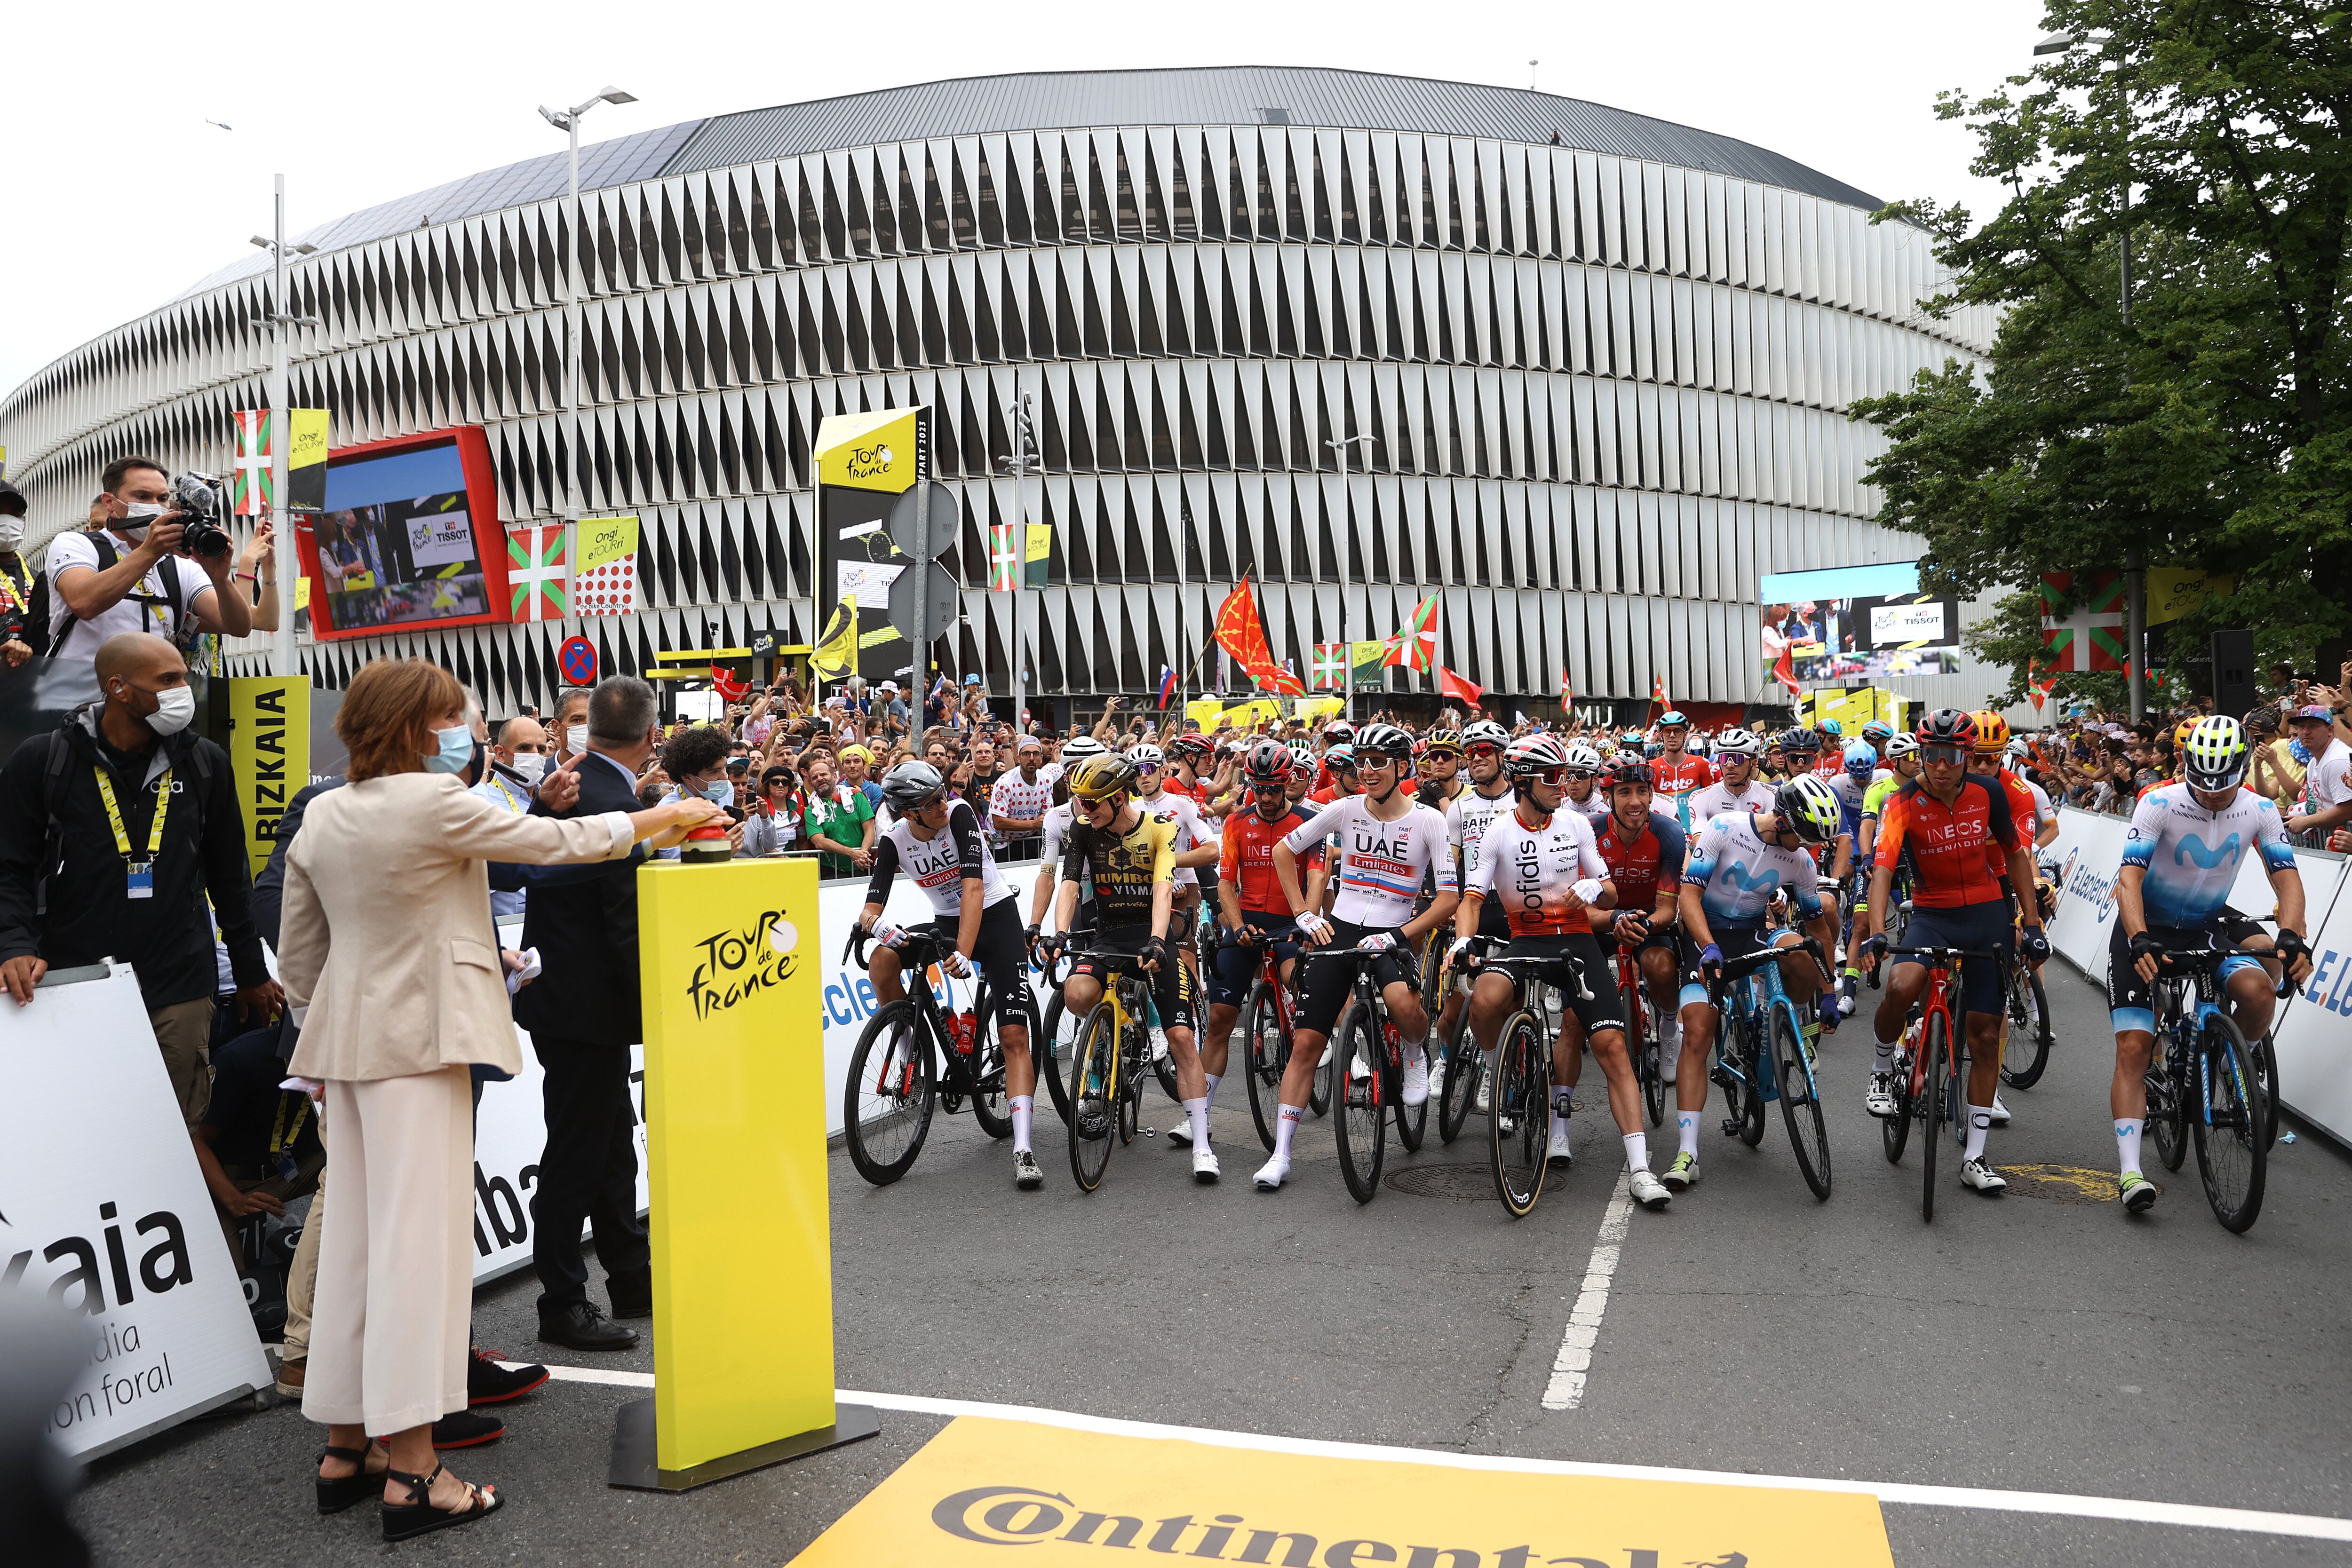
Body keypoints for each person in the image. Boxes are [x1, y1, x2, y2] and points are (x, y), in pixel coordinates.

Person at [278, 657, 715, 1538]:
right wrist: (658, 818)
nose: (466, 734)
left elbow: (299, 958)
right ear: (410, 726)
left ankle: (347, 1443)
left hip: (351, 1050)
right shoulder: (431, 802)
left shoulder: (325, 812)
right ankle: (413, 1468)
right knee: (416, 1255)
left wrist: (333, 1035)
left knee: (364, 1244)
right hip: (423, 1044)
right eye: (453, 718)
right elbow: (555, 845)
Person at [0, 633, 278, 1126]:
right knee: (80, 1121)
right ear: (119, 688)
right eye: (168, 680)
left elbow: (230, 878)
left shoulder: (205, 762)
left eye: (184, 677)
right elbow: (9, 867)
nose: (183, 690)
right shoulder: (44, 761)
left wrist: (252, 972)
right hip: (73, 979)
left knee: (173, 1127)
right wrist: (15, 944)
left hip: (179, 984)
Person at [514, 676, 692, 1352]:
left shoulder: (571, 784)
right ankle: (562, 1298)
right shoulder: (613, 799)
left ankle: (630, 1274)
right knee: (578, 1154)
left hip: (572, 1002)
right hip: (584, 1006)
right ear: (652, 736)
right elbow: (625, 925)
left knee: (612, 1143)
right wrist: (657, 1011)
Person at [1447, 736, 1671, 1209]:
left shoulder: (1574, 823)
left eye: (1566, 774)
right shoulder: (1497, 833)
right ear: (1524, 781)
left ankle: (1639, 1168)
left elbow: (1610, 893)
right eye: (1553, 776)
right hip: (1524, 938)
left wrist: (1592, 886)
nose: (1563, 784)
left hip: (1575, 940)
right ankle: (1498, 1066)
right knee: (1484, 1000)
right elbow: (1470, 899)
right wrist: (1462, 943)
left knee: (1611, 1047)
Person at [2106, 717, 2312, 1212]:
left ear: (2242, 769)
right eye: (2202, 782)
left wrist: (2291, 935)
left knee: (2261, 991)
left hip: (2202, 924)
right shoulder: (2158, 802)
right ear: (2186, 767)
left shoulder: (2259, 808)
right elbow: (2128, 880)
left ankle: (2223, 1059)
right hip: (2146, 929)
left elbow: (2285, 878)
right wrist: (2137, 939)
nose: (2213, 795)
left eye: (2222, 785)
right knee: (2134, 1048)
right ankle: (2130, 1170)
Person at [1857, 711, 2050, 1195]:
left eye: (1951, 755)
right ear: (1919, 755)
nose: (1940, 766)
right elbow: (1882, 870)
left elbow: (2013, 855)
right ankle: (1882, 1068)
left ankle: (1974, 1156)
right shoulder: (1902, 802)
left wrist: (2029, 923)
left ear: (1965, 756)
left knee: (1984, 1038)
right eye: (1930, 755)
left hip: (1985, 916)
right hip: (1932, 913)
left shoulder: (1988, 795)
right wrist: (1877, 932)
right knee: (1902, 986)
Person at [1256, 723, 1456, 1192]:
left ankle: (1412, 1051)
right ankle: (1280, 1154)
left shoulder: (1428, 820)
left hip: (1395, 927)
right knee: (1305, 1044)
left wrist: (1397, 937)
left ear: (1401, 767)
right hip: (1341, 927)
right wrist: (1303, 914)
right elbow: (1284, 851)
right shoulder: (1343, 809)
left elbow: (1448, 898)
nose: (1365, 771)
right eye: (1360, 762)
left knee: (1406, 1007)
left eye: (1377, 762)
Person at [858, 761, 1040, 1185]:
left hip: (995, 919)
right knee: (883, 959)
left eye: (943, 794)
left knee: (1014, 1036)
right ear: (909, 813)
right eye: (932, 802)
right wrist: (872, 923)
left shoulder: (959, 814)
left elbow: (973, 888)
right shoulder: (893, 840)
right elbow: (873, 903)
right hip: (945, 922)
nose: (944, 803)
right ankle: (912, 1057)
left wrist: (962, 953)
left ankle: (1024, 1147)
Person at [1038, 752, 1216, 1180]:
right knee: (1077, 994)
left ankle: (1204, 1144)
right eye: (1079, 801)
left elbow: (1161, 887)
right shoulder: (1082, 830)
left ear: (1119, 798)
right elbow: (1067, 882)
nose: (1083, 810)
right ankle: (1113, 1034)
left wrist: (1157, 940)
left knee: (1180, 1036)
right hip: (1109, 934)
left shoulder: (1160, 829)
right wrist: (1060, 932)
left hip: (1150, 934)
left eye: (1092, 802)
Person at [1666, 774, 1845, 1193]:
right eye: (1803, 837)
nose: (1806, 848)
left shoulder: (1801, 861)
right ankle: (1687, 1152)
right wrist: (1708, 946)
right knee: (1697, 1033)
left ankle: (1791, 1022)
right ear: (1782, 819)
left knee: (1802, 953)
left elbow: (1818, 926)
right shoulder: (1724, 829)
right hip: (1703, 937)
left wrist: (1830, 990)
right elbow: (1688, 897)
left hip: (1750, 932)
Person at [1199, 741, 1326, 1131]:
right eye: (1259, 788)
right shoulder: (1237, 823)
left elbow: (1318, 875)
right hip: (1247, 923)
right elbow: (1224, 885)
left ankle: (1308, 1031)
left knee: (1294, 976)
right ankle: (1199, 1113)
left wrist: (1310, 922)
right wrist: (1236, 927)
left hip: (1292, 921)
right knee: (1220, 1019)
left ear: (1288, 782)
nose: (1266, 797)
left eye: (1274, 788)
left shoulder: (1310, 821)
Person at [45, 457, 254, 662]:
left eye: (162, 499)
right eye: (142, 497)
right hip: (79, 692)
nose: (155, 506)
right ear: (110, 503)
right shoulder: (76, 544)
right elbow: (84, 604)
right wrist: (150, 552)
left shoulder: (181, 568)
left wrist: (221, 579)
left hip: (151, 694)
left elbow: (239, 627)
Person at [1590, 757, 1689, 1088]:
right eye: (1625, 792)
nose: (1635, 801)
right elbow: (1579, 906)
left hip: (1649, 919)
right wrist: (1613, 919)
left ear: (1651, 795)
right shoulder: (1589, 831)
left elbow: (1667, 909)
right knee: (1579, 999)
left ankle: (1669, 1025)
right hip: (1603, 920)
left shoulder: (1669, 833)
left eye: (1643, 792)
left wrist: (1638, 925)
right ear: (1608, 798)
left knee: (1660, 967)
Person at [1435, 720, 1516, 1061]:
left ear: (1501, 756)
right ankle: (1446, 1060)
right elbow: (1450, 864)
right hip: (1475, 910)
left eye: (1484, 750)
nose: (1476, 757)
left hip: (1514, 912)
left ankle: (1499, 1070)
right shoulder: (1459, 808)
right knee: (1451, 1016)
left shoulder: (1522, 800)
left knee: (1507, 1010)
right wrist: (1444, 904)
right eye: (1471, 752)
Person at [2283, 704, 2352, 843]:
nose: (2306, 732)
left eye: (2314, 726)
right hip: (2336, 840)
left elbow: (2348, 810)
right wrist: (2302, 820)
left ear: (2330, 730)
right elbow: (2323, 806)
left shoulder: (2337, 760)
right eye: (2301, 726)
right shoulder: (2314, 763)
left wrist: (2306, 822)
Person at [797, 752, 874, 872]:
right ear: (811, 783)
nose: (820, 779)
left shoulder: (856, 796)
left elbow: (869, 829)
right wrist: (852, 854)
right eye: (815, 777)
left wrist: (862, 855)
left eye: (823, 774)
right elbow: (819, 842)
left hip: (863, 865)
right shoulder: (811, 810)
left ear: (834, 776)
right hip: (831, 871)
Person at [986, 737, 1054, 862]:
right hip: (1001, 842)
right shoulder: (1005, 783)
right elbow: (998, 822)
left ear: (1042, 758)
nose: (1032, 758)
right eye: (1026, 754)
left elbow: (1047, 815)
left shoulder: (1047, 779)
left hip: (1028, 838)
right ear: (1019, 758)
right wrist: (1033, 824)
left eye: (1036, 754)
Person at [1648, 711, 1715, 831]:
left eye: (1677, 731)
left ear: (1685, 735)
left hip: (1696, 834)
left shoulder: (1702, 764)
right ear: (1661, 735)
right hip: (1664, 835)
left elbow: (1713, 805)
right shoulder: (1651, 767)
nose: (1672, 735)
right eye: (1668, 731)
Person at [0, 481, 44, 663]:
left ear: (23, 522)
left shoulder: (39, 579)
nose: (8, 522)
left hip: (30, 681)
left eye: (14, 515)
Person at [1688, 728, 1771, 824]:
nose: (1730, 765)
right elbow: (1699, 839)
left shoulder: (1770, 795)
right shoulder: (1700, 798)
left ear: (1754, 763)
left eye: (1737, 758)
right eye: (1724, 758)